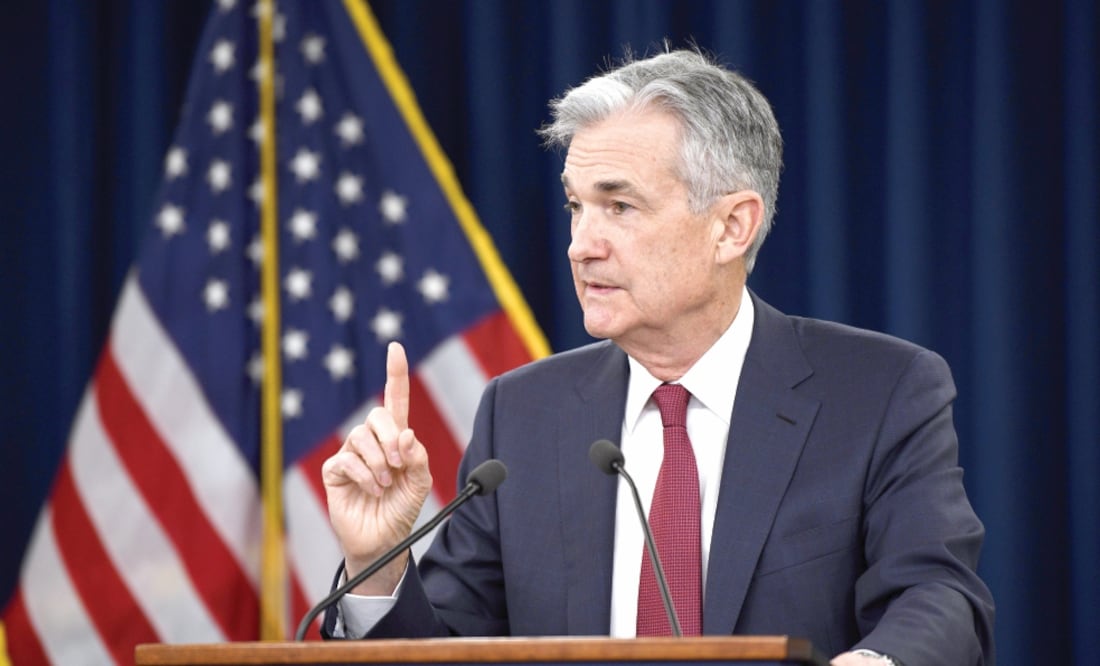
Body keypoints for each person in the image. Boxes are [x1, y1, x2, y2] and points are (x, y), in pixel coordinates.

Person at [320, 49, 995, 665]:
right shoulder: (522, 413)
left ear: (732, 226)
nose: (581, 245)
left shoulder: (879, 392)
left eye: (619, 206)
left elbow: (938, 598)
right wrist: (377, 563)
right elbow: (450, 650)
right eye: (576, 207)